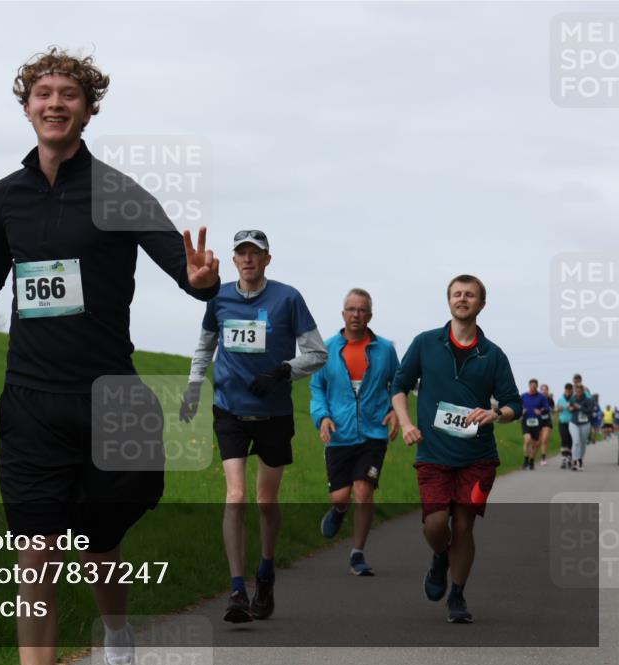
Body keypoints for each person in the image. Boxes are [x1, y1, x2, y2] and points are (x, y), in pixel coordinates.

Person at [0, 48, 221, 665]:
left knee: (99, 546)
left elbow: (181, 268)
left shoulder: (119, 192)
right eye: (43, 94)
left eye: (69, 95)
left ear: (87, 110)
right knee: (36, 552)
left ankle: (116, 633)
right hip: (31, 401)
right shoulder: (8, 196)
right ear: (27, 108)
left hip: (109, 400)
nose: (55, 104)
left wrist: (203, 280)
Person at [180, 230, 326, 623]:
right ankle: (236, 588)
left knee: (265, 501)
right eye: (241, 253)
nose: (248, 259)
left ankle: (265, 570)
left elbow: (317, 353)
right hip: (229, 409)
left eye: (255, 254)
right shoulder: (218, 297)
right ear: (233, 260)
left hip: (273, 412)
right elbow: (205, 345)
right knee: (236, 495)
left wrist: (283, 371)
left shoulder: (288, 298)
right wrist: (195, 387)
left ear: (267, 259)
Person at [391, 275, 520, 624]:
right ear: (448, 301)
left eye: (470, 295)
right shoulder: (425, 343)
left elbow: (513, 405)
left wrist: (494, 414)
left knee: (463, 526)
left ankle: (458, 596)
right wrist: (406, 423)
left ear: (481, 303)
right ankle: (440, 558)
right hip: (433, 455)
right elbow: (400, 387)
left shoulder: (493, 355)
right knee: (435, 526)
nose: (463, 299)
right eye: (457, 294)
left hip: (478, 458)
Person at [309, 288, 399, 576]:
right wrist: (321, 417)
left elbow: (398, 384)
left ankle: (357, 552)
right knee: (341, 497)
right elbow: (316, 389)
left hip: (373, 433)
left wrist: (396, 410)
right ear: (343, 314)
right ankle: (338, 511)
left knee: (364, 490)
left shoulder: (385, 349)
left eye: (362, 310)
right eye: (351, 309)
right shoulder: (328, 349)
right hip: (340, 433)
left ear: (370, 315)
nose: (356, 314)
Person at [520, 379, 551, 470]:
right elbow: (518, 406)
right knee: (527, 440)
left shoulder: (541, 397)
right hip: (526, 421)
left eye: (535, 386)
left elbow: (547, 408)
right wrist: (522, 411)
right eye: (531, 386)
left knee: (534, 443)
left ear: (537, 387)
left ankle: (532, 461)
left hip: (537, 423)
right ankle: (526, 460)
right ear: (529, 386)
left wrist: (540, 411)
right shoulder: (523, 396)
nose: (533, 388)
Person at [568, 385, 595, 470]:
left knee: (583, 443)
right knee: (576, 442)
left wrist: (579, 407)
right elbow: (570, 407)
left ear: (583, 391)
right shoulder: (573, 399)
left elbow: (590, 411)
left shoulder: (589, 400)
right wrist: (571, 408)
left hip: (585, 423)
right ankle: (575, 461)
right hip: (574, 423)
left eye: (579, 391)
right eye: (576, 391)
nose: (578, 393)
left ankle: (580, 459)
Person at [556, 383, 575, 469]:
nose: (568, 391)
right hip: (562, 421)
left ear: (572, 390)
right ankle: (564, 458)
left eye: (569, 390)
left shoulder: (574, 399)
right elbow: (556, 409)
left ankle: (569, 458)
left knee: (570, 440)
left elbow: (576, 409)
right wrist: (559, 409)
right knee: (564, 439)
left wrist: (572, 408)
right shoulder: (560, 399)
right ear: (565, 390)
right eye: (566, 390)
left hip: (572, 422)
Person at [538, 384, 554, 466]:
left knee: (544, 439)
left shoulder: (550, 399)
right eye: (542, 389)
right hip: (537, 422)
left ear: (548, 391)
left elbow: (552, 408)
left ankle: (543, 458)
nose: (544, 391)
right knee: (537, 442)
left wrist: (546, 409)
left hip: (547, 421)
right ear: (540, 391)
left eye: (545, 389)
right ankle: (532, 457)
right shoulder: (537, 398)